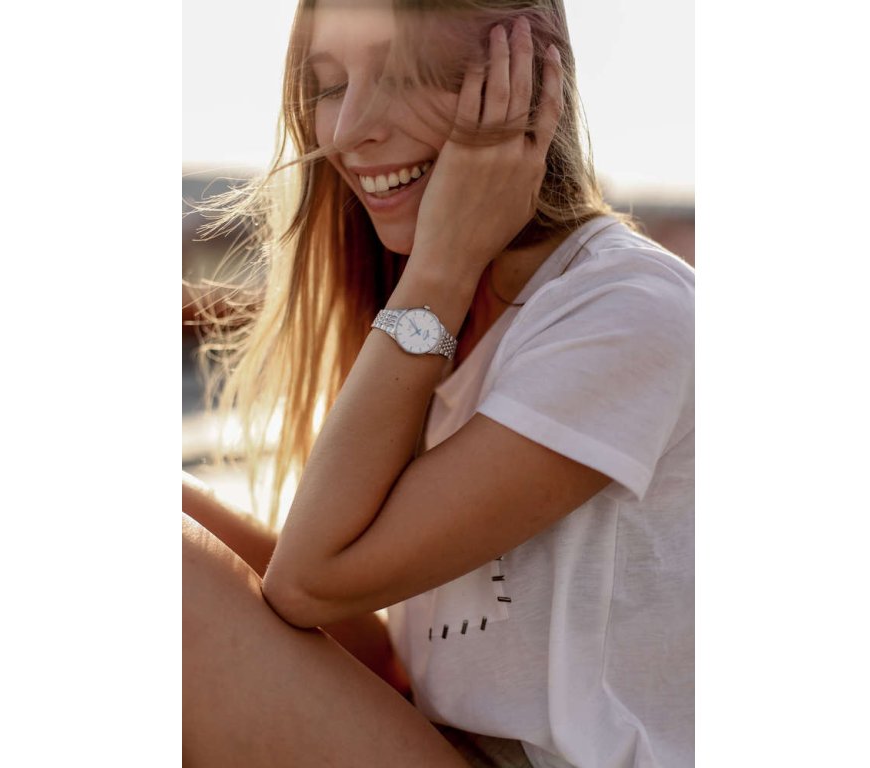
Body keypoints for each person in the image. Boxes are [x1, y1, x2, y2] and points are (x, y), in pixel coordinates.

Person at [182, 0, 694, 766]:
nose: (348, 131)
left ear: (529, 81)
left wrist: (441, 269)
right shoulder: (455, 321)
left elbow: (309, 584)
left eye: (401, 77)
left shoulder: (624, 311)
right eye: (329, 86)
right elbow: (378, 636)